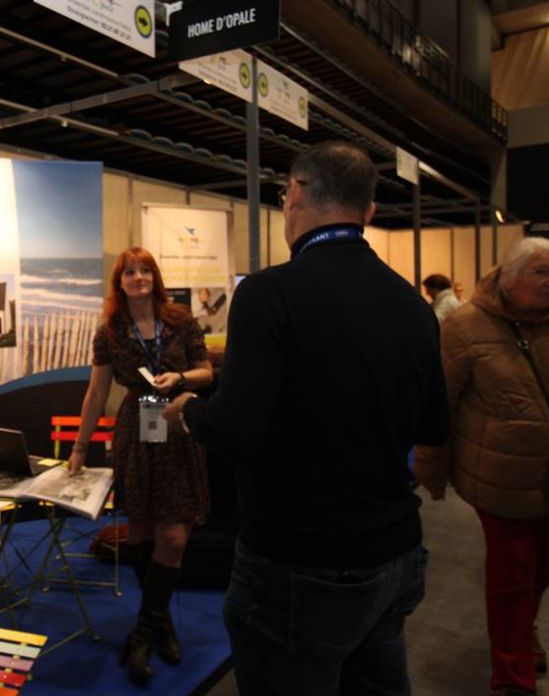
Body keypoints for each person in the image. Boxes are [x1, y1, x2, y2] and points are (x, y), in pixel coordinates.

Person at [165, 141, 449, 696]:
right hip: (395, 553)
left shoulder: (269, 294)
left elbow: (236, 430)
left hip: (299, 561)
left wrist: (189, 413)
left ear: (295, 193)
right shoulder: (413, 305)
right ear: (369, 210)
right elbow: (434, 427)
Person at [414, 237, 549, 696]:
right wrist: (430, 469)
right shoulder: (466, 326)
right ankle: (512, 676)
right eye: (542, 272)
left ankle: (523, 626)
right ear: (510, 275)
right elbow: (440, 404)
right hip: (499, 478)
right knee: (512, 572)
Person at [68, 247, 213, 684]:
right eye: (129, 272)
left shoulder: (181, 320)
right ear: (119, 282)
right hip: (137, 430)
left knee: (175, 535)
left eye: (145, 269)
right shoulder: (110, 332)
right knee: (140, 531)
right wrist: (79, 447)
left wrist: (180, 378)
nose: (137, 277)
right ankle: (160, 623)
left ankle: (143, 631)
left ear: (155, 277)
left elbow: (206, 372)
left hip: (178, 425)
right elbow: (96, 393)